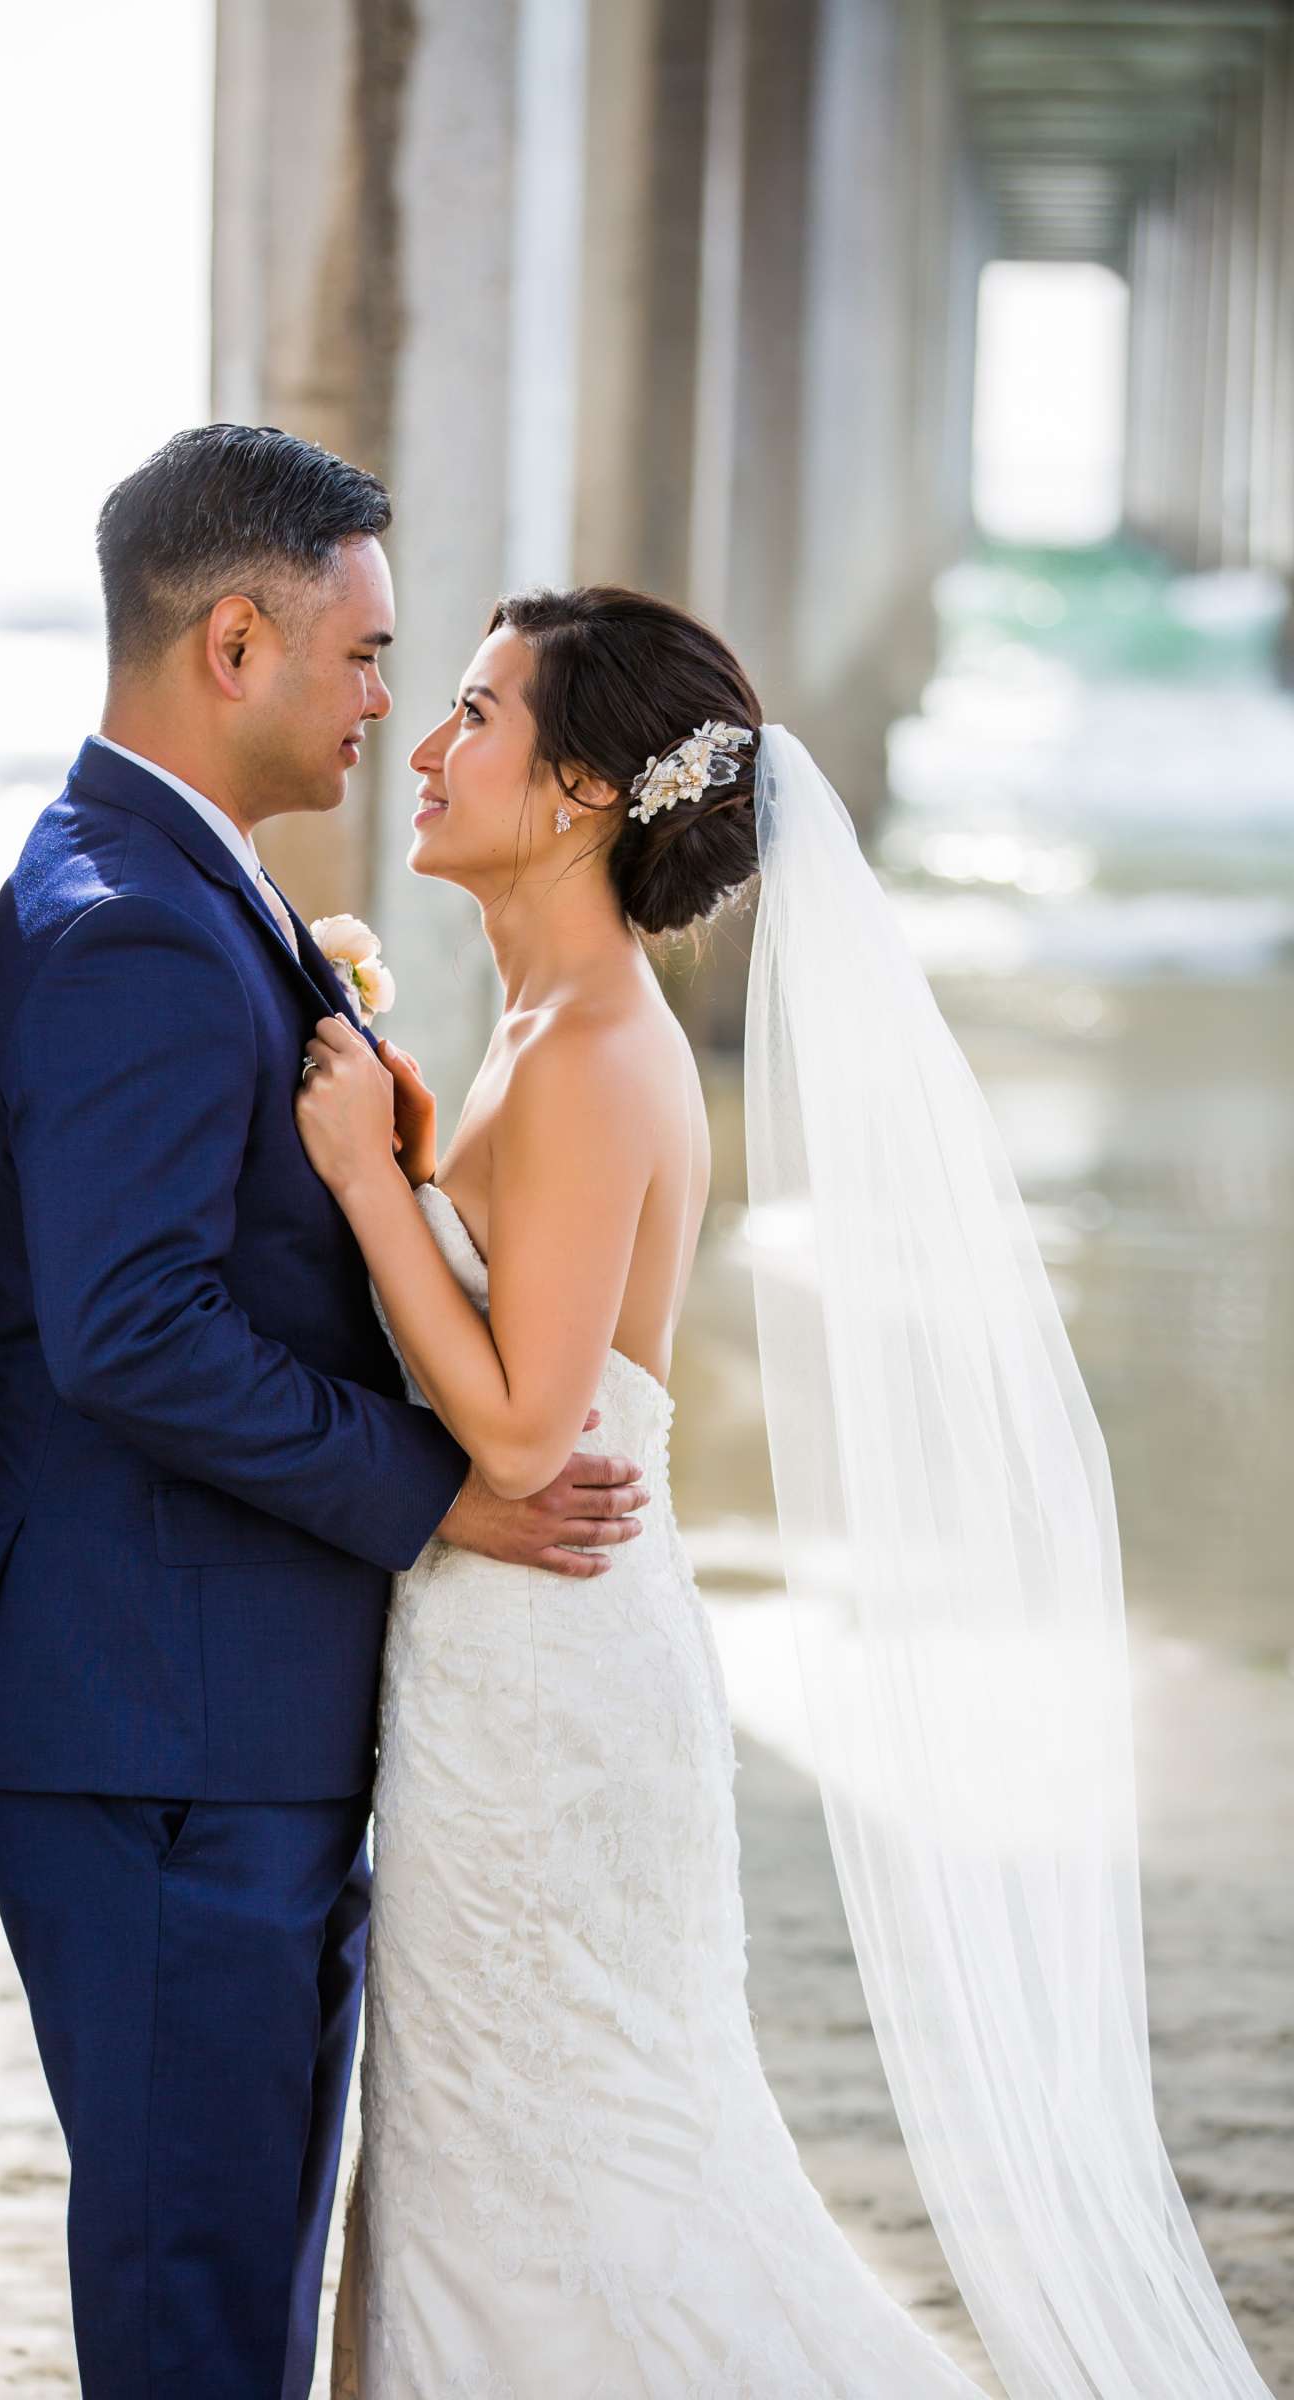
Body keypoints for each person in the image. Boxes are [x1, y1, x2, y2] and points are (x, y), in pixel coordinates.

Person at [296, 585, 1277, 2400]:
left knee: (573, 2171)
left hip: (549, 1682)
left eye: (471, 716)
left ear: (587, 788)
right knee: (501, 2157)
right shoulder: (546, 1033)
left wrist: (370, 1184)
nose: (423, 752)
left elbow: (524, 1431)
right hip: (507, 1658)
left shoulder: (594, 1050)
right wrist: (422, 1155)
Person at [0, 427, 648, 2400]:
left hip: (213, 1705)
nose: (384, 708)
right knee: (198, 2292)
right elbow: (132, 1332)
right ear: (234, 641)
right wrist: (442, 1495)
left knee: (236, 2269)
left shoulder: (186, 881)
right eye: (364, 657)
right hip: (167, 1721)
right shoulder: (133, 922)